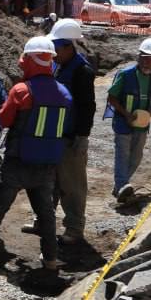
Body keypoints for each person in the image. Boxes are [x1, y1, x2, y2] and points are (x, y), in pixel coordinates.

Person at [0, 36, 73, 271]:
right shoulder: (65, 94)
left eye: (24, 58)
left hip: (17, 163)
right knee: (46, 214)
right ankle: (50, 259)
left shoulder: (21, 91)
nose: (21, 62)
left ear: (31, 60)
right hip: (46, 166)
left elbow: (5, 119)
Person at [51, 19, 96, 243]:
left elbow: (88, 106)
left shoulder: (82, 71)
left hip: (70, 138)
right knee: (50, 182)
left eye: (57, 48)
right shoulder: (57, 65)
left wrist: (82, 136)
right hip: (53, 135)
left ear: (69, 46)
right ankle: (44, 221)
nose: (53, 53)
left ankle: (74, 227)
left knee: (73, 185)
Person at [106, 37, 151, 201]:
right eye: (144, 58)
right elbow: (112, 97)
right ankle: (122, 185)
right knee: (122, 154)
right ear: (138, 57)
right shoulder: (125, 75)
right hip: (123, 123)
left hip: (142, 124)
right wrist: (126, 114)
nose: (147, 62)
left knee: (136, 156)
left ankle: (120, 185)